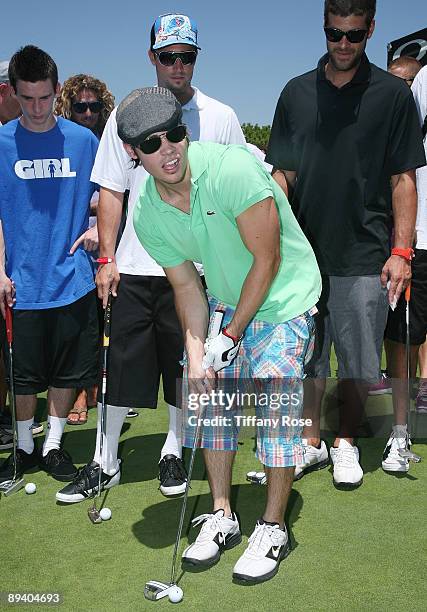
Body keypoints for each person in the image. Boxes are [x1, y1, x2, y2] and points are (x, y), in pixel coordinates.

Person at [116, 86, 321, 584]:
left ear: (186, 134)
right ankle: (224, 514)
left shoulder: (231, 170)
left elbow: (267, 260)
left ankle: (272, 526)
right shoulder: (147, 212)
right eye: (151, 143)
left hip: (285, 297)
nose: (167, 149)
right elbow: (186, 287)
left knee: (275, 410)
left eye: (175, 135)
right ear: (132, 153)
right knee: (211, 404)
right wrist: (199, 349)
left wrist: (227, 333)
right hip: (227, 299)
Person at [56, 13, 246, 504]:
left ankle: (172, 448)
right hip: (136, 267)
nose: (178, 66)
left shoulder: (221, 117)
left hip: (197, 270)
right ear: (153, 58)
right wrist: (107, 260)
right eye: (169, 57)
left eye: (187, 57)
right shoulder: (128, 115)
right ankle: (105, 461)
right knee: (121, 369)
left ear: (195, 59)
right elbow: (112, 191)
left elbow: (238, 188)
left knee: (183, 368)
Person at [265, 0, 426, 488]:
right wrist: (269, 243)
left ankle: (347, 443)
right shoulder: (295, 93)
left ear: (371, 30)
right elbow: (282, 176)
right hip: (304, 256)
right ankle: (312, 443)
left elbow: (403, 179)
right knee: (307, 357)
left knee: (357, 361)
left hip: (364, 254)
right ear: (324, 28)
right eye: (334, 34)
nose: (342, 44)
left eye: (354, 35)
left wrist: (402, 253)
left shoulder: (392, 96)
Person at [0, 46, 99, 486]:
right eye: (27, 99)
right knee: (22, 378)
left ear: (57, 92)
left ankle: (53, 445)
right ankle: (23, 448)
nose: (37, 109)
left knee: (67, 370)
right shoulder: (2, 143)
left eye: (44, 98)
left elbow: (108, 195)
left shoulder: (83, 141)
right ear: (14, 94)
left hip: (73, 279)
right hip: (20, 284)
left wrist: (101, 229)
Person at [55, 74, 115, 424]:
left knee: (103, 322)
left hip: (107, 241)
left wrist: (99, 220)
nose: (88, 112)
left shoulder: (110, 140)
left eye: (95, 106)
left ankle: (97, 390)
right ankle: (79, 392)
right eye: (81, 106)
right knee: (79, 326)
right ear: (69, 107)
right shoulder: (63, 142)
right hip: (73, 248)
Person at [382, 65, 427, 463]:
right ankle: (399, 429)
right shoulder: (425, 80)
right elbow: (402, 165)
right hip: (422, 238)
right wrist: (402, 238)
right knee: (403, 336)